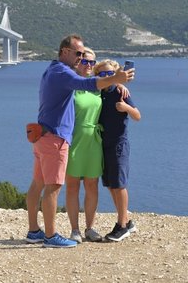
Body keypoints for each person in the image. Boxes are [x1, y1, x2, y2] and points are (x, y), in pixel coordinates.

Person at [25, 35, 134, 248]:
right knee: (53, 187)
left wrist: (117, 86)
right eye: (78, 54)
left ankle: (34, 231)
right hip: (55, 138)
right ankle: (50, 236)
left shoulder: (52, 70)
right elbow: (87, 82)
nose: (80, 57)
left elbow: (93, 86)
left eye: (84, 54)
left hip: (44, 136)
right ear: (64, 51)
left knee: (38, 184)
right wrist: (115, 78)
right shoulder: (62, 73)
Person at [95, 59, 141, 242]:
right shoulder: (98, 93)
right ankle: (127, 221)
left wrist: (126, 107)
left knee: (119, 184)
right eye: (103, 74)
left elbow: (138, 116)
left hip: (118, 144)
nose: (107, 77)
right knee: (110, 184)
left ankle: (122, 226)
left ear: (116, 74)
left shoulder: (120, 92)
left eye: (110, 74)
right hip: (102, 144)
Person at [64, 47, 104, 243]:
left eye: (92, 62)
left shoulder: (98, 86)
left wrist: (123, 86)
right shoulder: (71, 87)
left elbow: (114, 86)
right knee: (72, 186)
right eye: (85, 61)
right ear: (77, 62)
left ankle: (89, 228)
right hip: (74, 140)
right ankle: (74, 230)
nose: (89, 65)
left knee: (92, 185)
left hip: (93, 141)